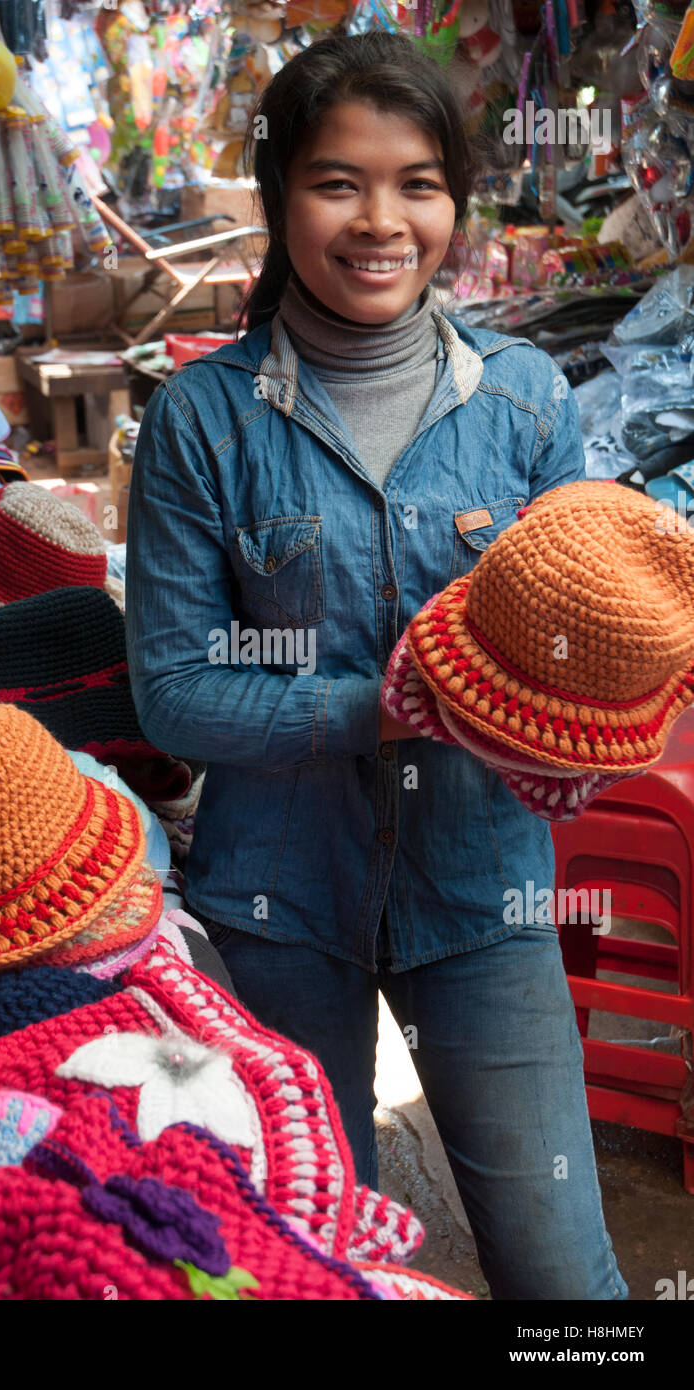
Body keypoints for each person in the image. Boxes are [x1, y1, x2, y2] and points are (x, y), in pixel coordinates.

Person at [125, 30, 627, 1301]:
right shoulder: (202, 419)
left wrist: (578, 719)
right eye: (336, 181)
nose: (379, 220)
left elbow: (584, 636)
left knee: (562, 1275)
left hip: (484, 901)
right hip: (277, 904)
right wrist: (397, 706)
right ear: (279, 190)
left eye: (415, 182)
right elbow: (174, 690)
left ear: (453, 198)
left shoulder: (520, 400)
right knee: (316, 1262)